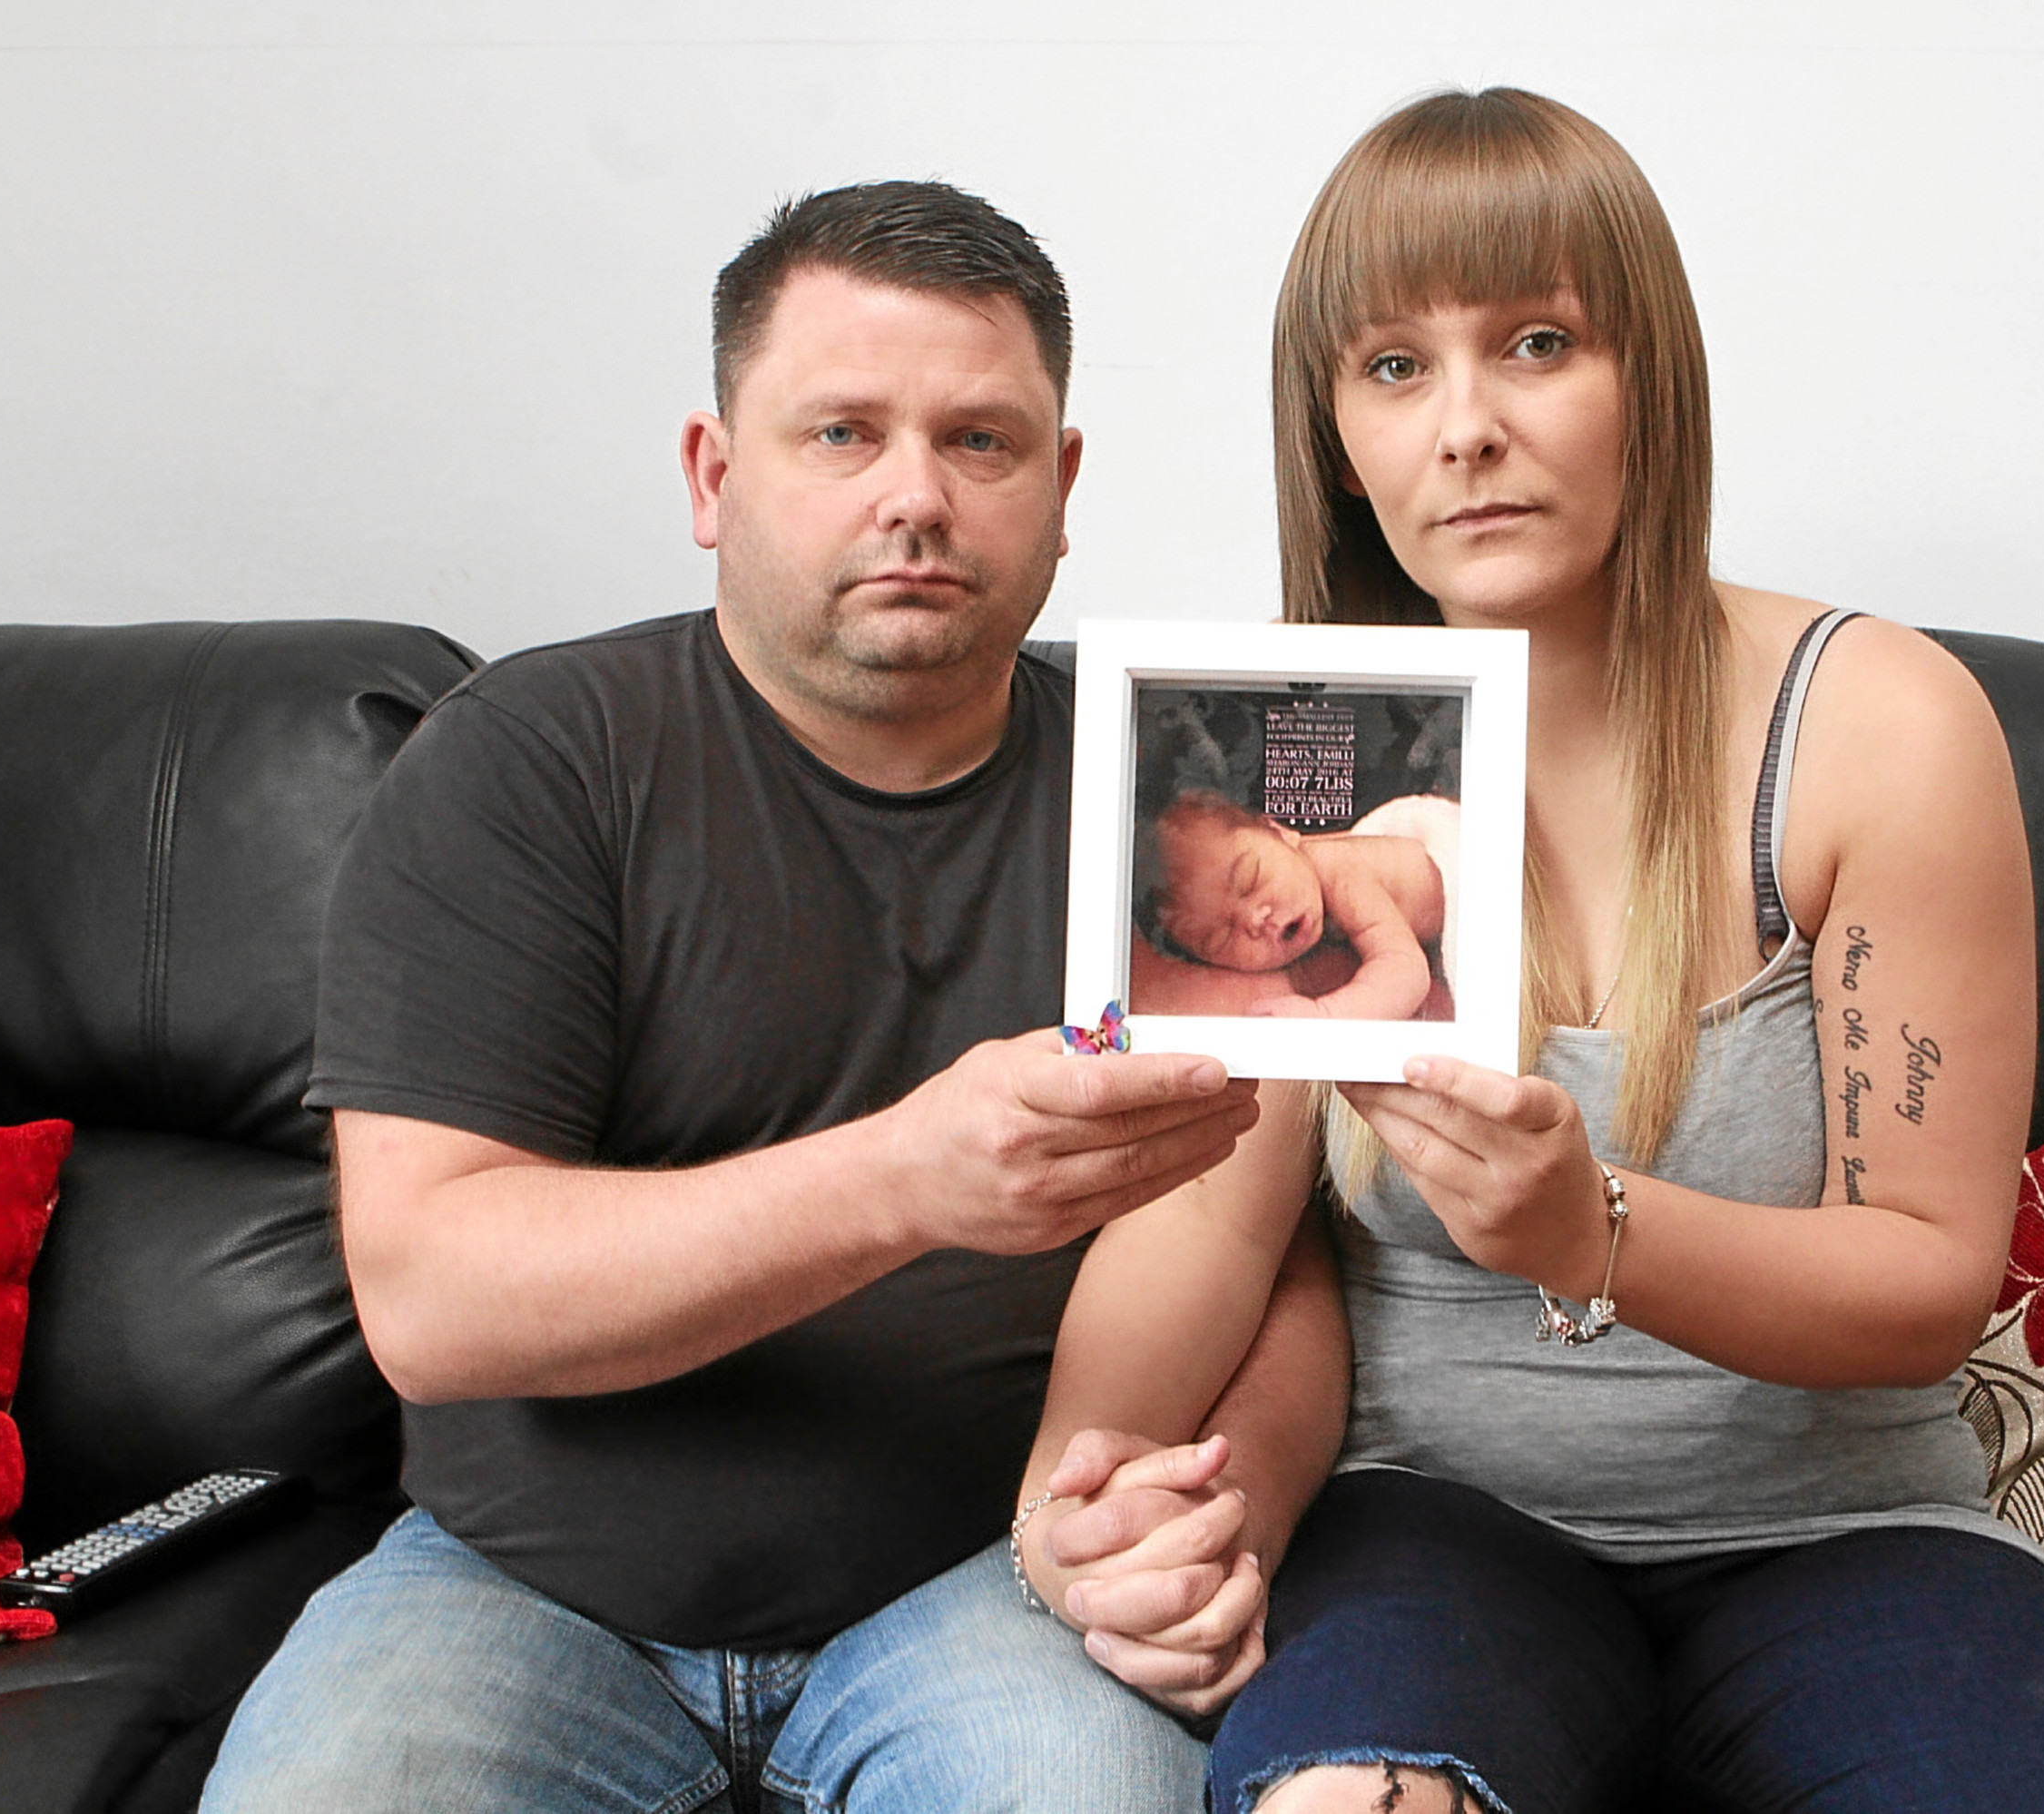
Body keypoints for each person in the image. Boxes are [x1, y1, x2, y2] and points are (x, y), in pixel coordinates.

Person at [1021, 92, 2044, 1812]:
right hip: (1438, 1527)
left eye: (1536, 342)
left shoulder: (1878, 720)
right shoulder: (1291, 746)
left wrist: (1596, 1229)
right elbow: (1206, 1209)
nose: (1469, 429)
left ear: (1648, 373)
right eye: (1392, 367)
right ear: (1335, 436)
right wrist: (1070, 1503)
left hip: (1854, 1528)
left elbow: (1931, 1278)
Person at [201, 181, 1345, 1814]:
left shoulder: (1188, 786)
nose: (917, 498)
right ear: (712, 475)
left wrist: (1223, 1516)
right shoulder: (528, 764)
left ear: (1064, 487)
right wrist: (903, 1179)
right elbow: (431, 1295)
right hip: (530, 1588)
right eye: (839, 434)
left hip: (995, 1588)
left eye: (982, 441)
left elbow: (1283, 1262)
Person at [1130, 789, 1454, 1020]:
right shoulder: (1306, 920)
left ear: (1281, 833)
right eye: (1221, 938)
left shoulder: (1335, 867)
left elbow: (1406, 971)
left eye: (1250, 878)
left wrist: (1325, 1015)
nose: (1256, 919)